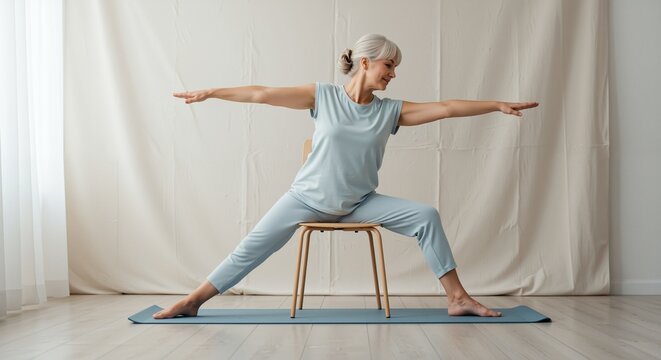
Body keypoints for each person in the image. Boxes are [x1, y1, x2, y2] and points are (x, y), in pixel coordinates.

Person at [154, 34, 538, 319]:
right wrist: (213, 92)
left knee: (426, 216)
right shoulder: (323, 96)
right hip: (305, 198)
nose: (394, 73)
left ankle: (457, 298)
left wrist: (496, 105)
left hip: (359, 203)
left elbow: (447, 107)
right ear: (367, 62)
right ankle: (193, 301)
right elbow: (261, 93)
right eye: (390, 65)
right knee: (251, 248)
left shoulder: (390, 112)